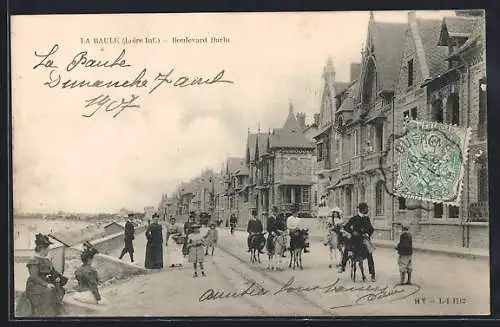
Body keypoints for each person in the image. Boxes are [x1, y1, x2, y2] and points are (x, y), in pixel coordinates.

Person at [16, 233, 68, 317]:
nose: (48, 250)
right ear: (42, 249)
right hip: (35, 285)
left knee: (59, 289)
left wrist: (58, 278)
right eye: (48, 248)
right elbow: (34, 277)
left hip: (46, 283)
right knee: (48, 292)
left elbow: (53, 272)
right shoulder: (33, 260)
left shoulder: (47, 260)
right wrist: (46, 284)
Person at [340, 202, 376, 281]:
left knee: (370, 255)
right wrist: (353, 232)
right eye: (367, 209)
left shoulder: (367, 219)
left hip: (364, 240)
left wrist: (367, 234)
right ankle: (342, 266)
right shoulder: (354, 219)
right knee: (347, 249)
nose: (368, 210)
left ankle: (372, 274)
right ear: (362, 210)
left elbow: (371, 229)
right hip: (355, 241)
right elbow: (346, 227)